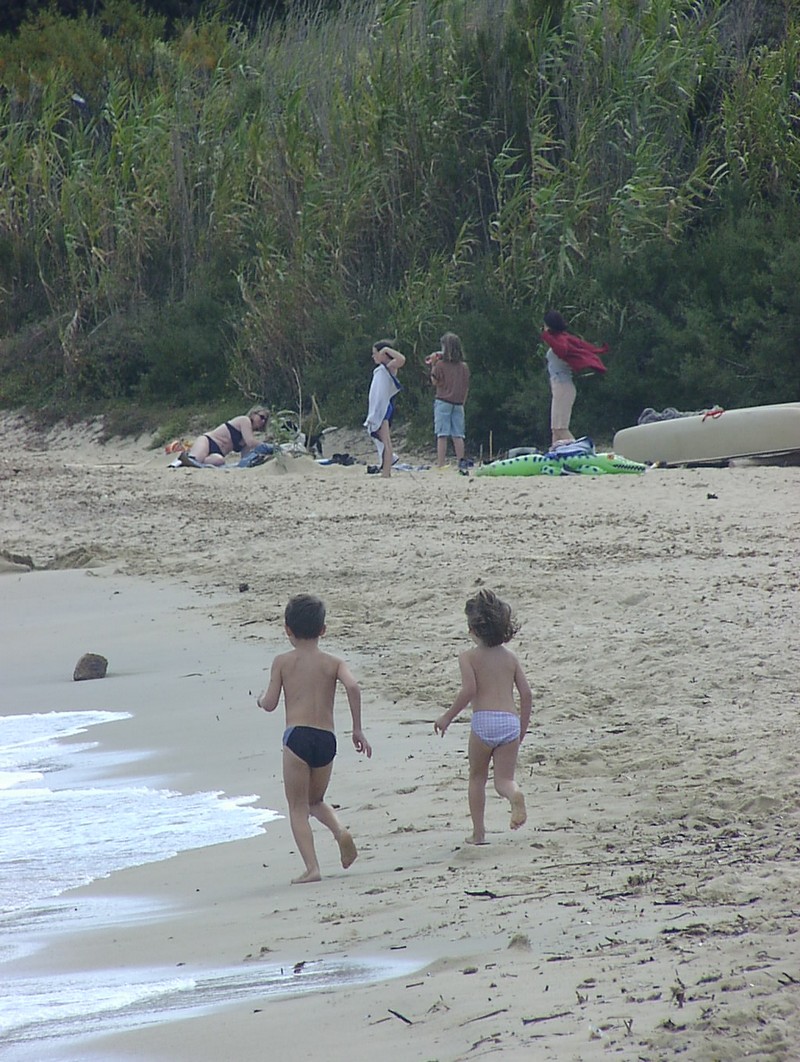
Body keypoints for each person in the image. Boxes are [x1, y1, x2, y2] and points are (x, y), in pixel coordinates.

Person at [257, 593, 372, 884]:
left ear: (288, 630)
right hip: (326, 739)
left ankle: (312, 868)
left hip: (297, 737)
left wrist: (260, 699)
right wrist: (357, 729)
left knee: (298, 807)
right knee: (316, 800)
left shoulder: (283, 662)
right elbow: (354, 687)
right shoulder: (333, 662)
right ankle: (339, 832)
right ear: (323, 629)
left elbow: (270, 703)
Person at [434, 589, 532, 845]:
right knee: (504, 780)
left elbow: (469, 691)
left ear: (473, 630)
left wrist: (447, 717)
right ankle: (515, 795)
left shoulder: (468, 657)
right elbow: (527, 694)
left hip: (483, 722)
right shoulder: (511, 658)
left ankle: (478, 833)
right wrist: (521, 729)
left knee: (477, 777)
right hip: (510, 722)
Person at [540, 310, 608, 450]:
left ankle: (580, 451)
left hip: (563, 387)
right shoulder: (561, 338)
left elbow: (562, 350)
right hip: (558, 388)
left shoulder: (561, 340)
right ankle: (555, 454)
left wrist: (547, 336)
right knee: (555, 429)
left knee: (561, 429)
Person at [428, 332, 470, 472]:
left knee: (442, 434)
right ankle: (461, 461)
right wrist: (462, 401)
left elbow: (434, 381)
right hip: (458, 403)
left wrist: (433, 364)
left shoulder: (440, 365)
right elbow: (466, 386)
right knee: (458, 434)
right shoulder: (464, 367)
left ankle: (441, 463)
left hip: (443, 401)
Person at [364, 340, 405, 477]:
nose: (373, 356)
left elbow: (401, 359)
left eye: (375, 353)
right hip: (379, 409)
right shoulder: (381, 369)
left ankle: (386, 473)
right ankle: (385, 470)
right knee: (382, 441)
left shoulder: (389, 367)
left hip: (384, 409)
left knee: (386, 441)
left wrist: (387, 349)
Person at [179, 407, 269, 467]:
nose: (263, 421)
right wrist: (268, 447)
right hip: (208, 441)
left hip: (218, 453)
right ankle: (184, 459)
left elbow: (244, 458)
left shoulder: (247, 435)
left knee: (219, 461)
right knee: (194, 460)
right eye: (261, 417)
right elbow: (251, 442)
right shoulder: (244, 420)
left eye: (265, 419)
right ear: (253, 414)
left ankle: (189, 459)